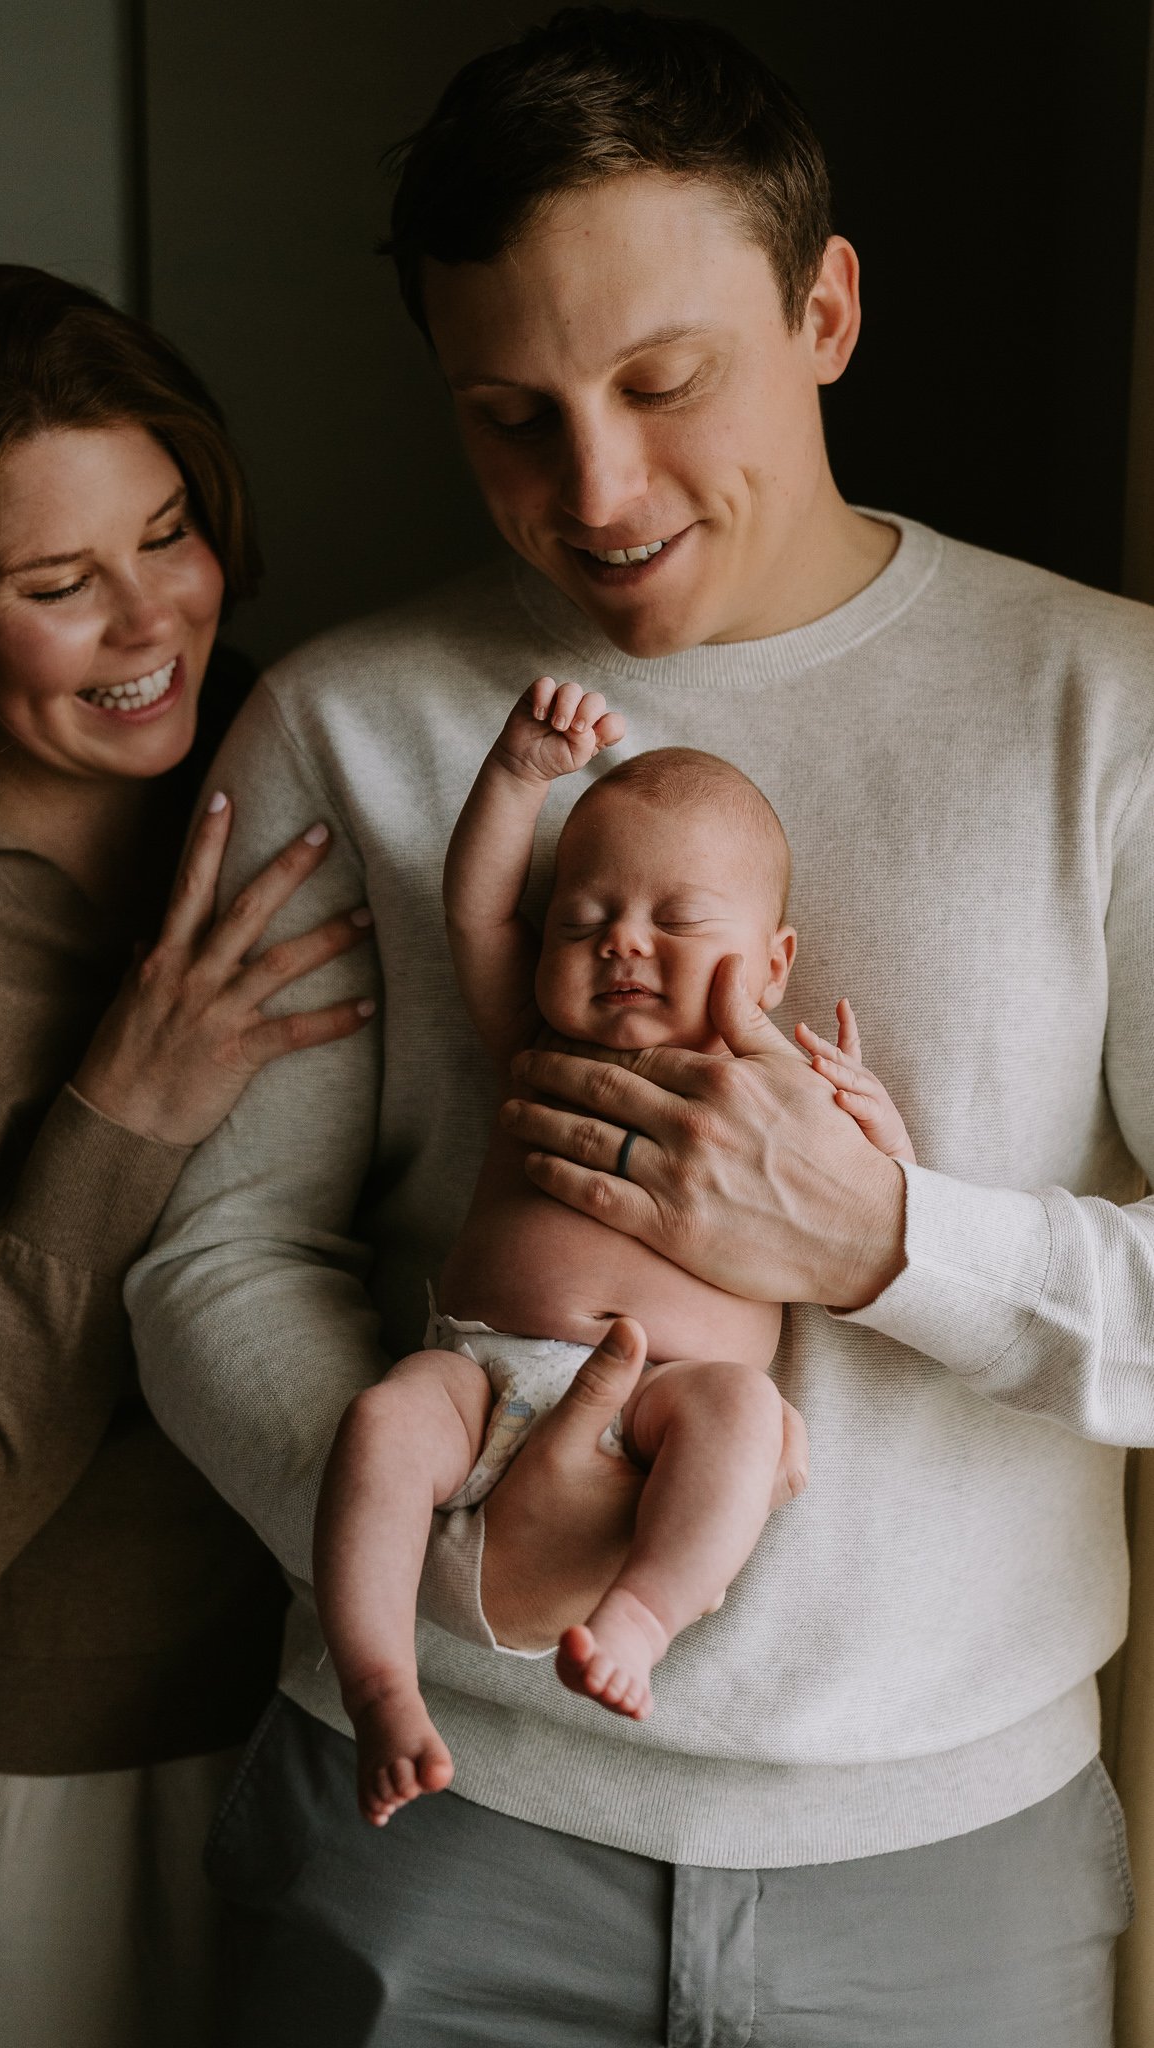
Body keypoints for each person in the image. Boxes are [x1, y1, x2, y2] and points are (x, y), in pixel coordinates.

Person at [128, 10, 1151, 2042]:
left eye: (661, 384)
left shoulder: (1106, 716)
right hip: (425, 1829)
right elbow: (213, 1256)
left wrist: (883, 1245)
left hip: (937, 1873)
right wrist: (450, 1549)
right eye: (505, 412)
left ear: (827, 308)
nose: (590, 490)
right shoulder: (356, 720)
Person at [0, 262, 373, 2048]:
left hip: (359, 1716)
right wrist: (120, 1116)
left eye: (170, 531)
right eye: (59, 585)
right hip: (34, 1776)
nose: (153, 621)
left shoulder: (308, 769)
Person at [316, 681, 915, 1823]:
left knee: (742, 1415)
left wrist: (878, 1138)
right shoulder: (538, 1042)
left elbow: (872, 1212)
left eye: (677, 921)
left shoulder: (781, 1094)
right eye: (586, 919)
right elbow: (480, 916)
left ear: (774, 960)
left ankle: (642, 1613)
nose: (624, 941)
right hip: (477, 1376)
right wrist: (516, 779)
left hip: (664, 1400)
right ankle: (381, 1679)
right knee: (382, 1420)